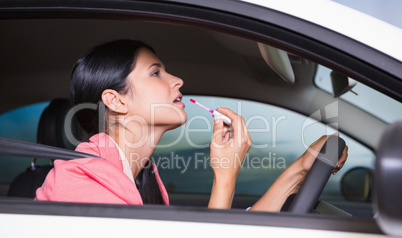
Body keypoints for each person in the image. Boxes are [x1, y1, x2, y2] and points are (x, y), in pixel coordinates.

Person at [35, 39, 348, 211]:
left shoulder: (140, 176)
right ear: (116, 101)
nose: (178, 81)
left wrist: (302, 168)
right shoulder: (84, 185)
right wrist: (224, 177)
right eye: (156, 73)